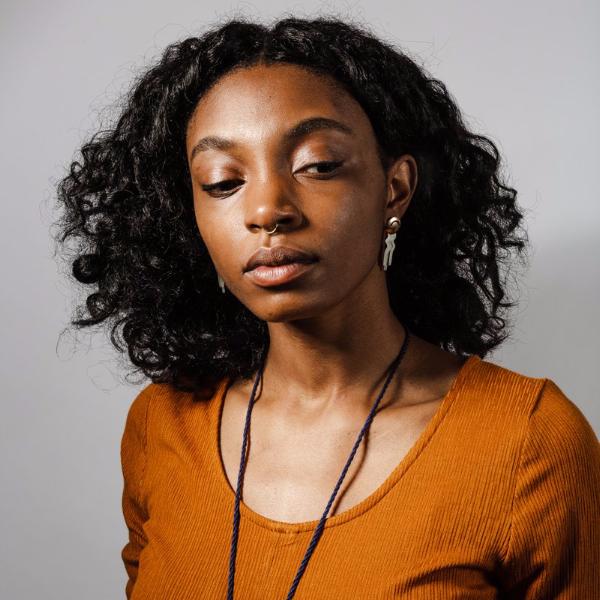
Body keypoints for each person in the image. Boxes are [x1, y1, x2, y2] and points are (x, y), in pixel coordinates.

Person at [53, 15, 599, 600]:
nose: (267, 209)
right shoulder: (162, 423)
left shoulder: (528, 440)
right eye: (221, 181)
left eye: (316, 165)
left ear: (395, 189)